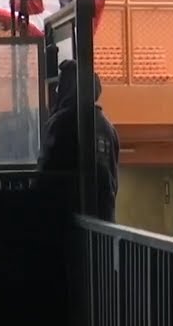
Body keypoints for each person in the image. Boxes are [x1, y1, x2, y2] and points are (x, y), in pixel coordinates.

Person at [38, 59, 120, 221]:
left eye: (61, 85)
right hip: (104, 225)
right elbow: (113, 180)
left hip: (65, 223)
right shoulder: (108, 128)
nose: (57, 91)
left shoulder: (61, 123)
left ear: (69, 88)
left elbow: (45, 174)